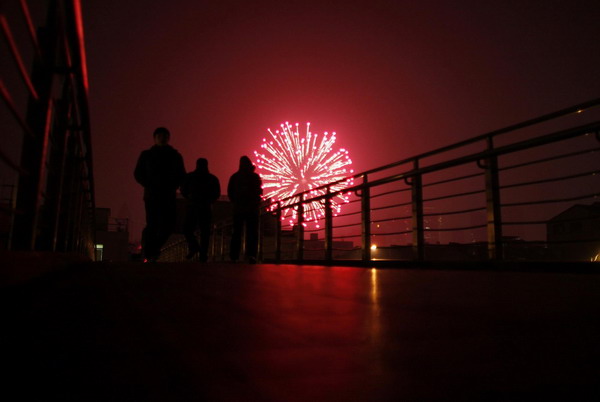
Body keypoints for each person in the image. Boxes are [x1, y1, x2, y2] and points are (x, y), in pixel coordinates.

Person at [134, 127, 185, 262]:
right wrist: (150, 184)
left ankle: (151, 249)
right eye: (160, 135)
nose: (163, 138)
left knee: (167, 224)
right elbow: (138, 174)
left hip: (165, 195)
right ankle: (151, 251)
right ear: (155, 138)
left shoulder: (175, 156)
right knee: (153, 223)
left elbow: (181, 175)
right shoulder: (147, 155)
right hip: (153, 195)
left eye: (165, 136)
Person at [180, 158, 221, 261]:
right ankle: (203, 254)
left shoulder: (190, 177)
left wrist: (189, 197)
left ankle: (194, 247)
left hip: (192, 206)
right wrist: (209, 200)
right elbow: (217, 193)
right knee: (205, 232)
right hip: (205, 207)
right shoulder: (212, 179)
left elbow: (183, 190)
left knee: (187, 229)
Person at [227, 155, 263, 263]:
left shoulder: (235, 177)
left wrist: (236, 202)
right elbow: (259, 192)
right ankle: (251, 255)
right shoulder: (255, 177)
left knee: (236, 233)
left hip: (238, 209)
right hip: (252, 209)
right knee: (252, 233)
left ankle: (234, 256)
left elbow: (230, 192)